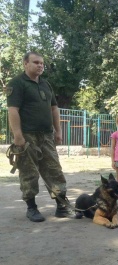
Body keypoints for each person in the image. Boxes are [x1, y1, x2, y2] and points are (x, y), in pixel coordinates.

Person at [6, 51, 72, 222]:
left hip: (47, 136)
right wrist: (18, 135)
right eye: (36, 62)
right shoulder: (17, 83)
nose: (40, 65)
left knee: (54, 171)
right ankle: (32, 208)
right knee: (29, 173)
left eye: (42, 63)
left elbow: (54, 109)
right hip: (27, 137)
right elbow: (13, 110)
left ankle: (61, 206)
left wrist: (58, 131)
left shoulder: (45, 84)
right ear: (25, 64)